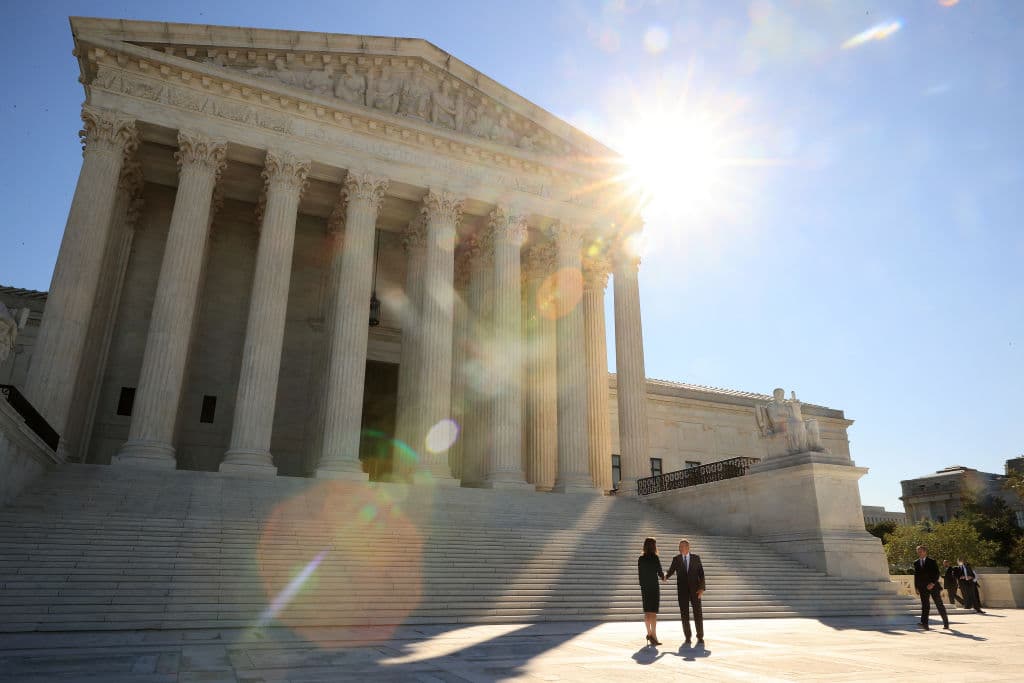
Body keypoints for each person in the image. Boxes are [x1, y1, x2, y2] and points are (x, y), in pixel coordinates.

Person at [665, 538, 705, 645]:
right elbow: (671, 571)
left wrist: (702, 588)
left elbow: (701, 574)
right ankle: (687, 637)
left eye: (682, 546)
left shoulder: (696, 558)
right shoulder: (676, 559)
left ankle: (700, 636)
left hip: (696, 591)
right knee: (684, 615)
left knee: (698, 614)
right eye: (679, 546)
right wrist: (665, 576)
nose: (680, 548)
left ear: (688, 547)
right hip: (682, 592)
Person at [913, 545, 949, 630]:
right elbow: (916, 576)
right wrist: (916, 587)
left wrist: (932, 583)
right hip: (922, 587)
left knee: (939, 604)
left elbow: (937, 573)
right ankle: (925, 624)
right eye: (918, 551)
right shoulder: (916, 562)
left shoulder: (932, 561)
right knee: (925, 605)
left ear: (925, 552)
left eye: (921, 551)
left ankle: (946, 623)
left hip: (933, 587)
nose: (919, 553)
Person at [637, 537, 665, 646]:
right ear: (654, 546)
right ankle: (654, 635)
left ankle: (649, 633)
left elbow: (640, 575)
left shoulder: (641, 559)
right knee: (653, 612)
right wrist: (664, 577)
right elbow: (660, 573)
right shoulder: (655, 558)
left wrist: (643, 586)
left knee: (647, 612)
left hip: (645, 588)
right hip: (653, 587)